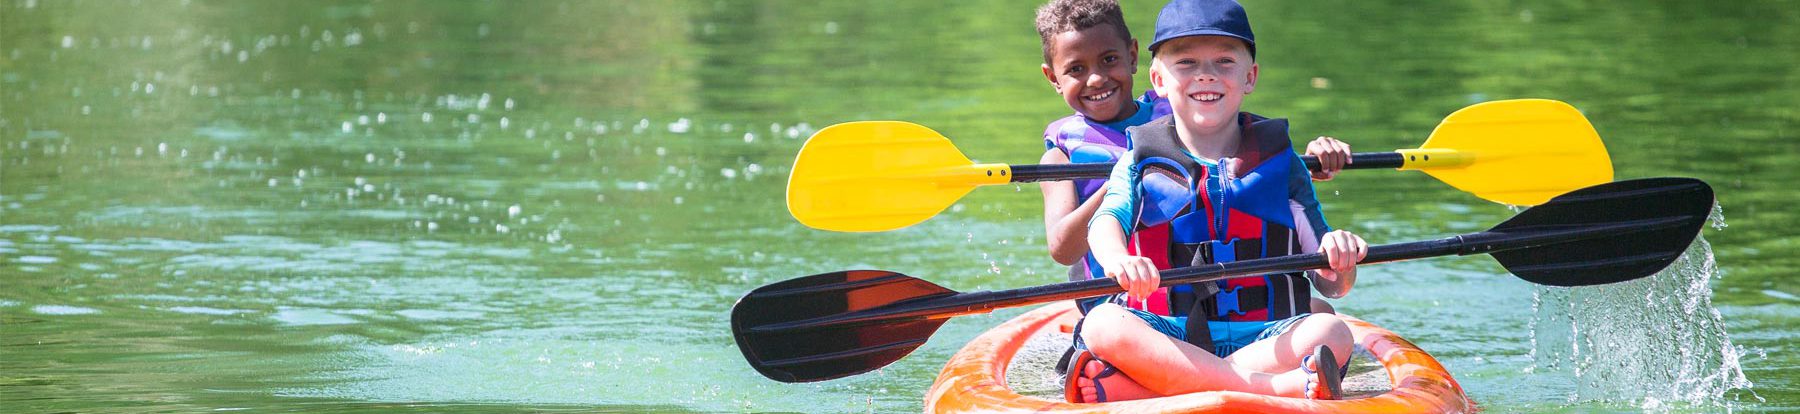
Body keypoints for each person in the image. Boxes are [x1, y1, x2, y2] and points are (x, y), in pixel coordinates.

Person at [1064, 0, 1365, 403]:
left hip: (1265, 334)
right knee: (1102, 323)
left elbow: (1332, 285)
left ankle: (1145, 387)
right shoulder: (1138, 159)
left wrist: (1340, 258)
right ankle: (1274, 389)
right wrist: (1118, 258)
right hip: (1166, 330)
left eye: (1224, 61)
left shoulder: (1282, 162)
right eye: (1186, 62)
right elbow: (1105, 223)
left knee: (1330, 330)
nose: (1206, 75)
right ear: (1158, 78)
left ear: (1250, 77)